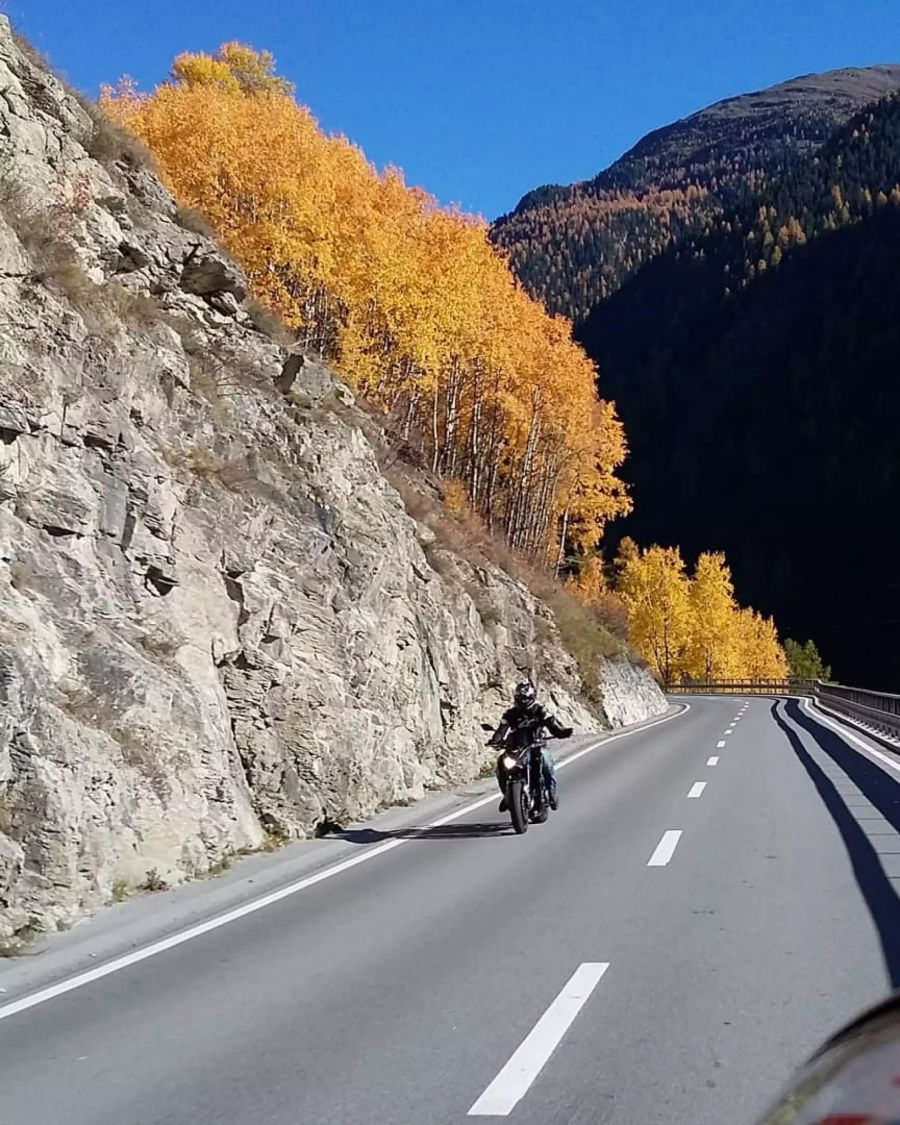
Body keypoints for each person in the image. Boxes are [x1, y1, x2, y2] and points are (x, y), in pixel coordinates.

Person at [488, 680, 572, 812]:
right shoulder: (511, 714)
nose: (522, 701)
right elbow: (502, 729)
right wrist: (495, 740)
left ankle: (551, 793)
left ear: (531, 697)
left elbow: (552, 724)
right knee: (501, 763)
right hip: (518, 749)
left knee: (546, 762)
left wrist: (561, 732)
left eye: (525, 698)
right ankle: (507, 795)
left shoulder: (540, 710)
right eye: (519, 698)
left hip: (536, 747)